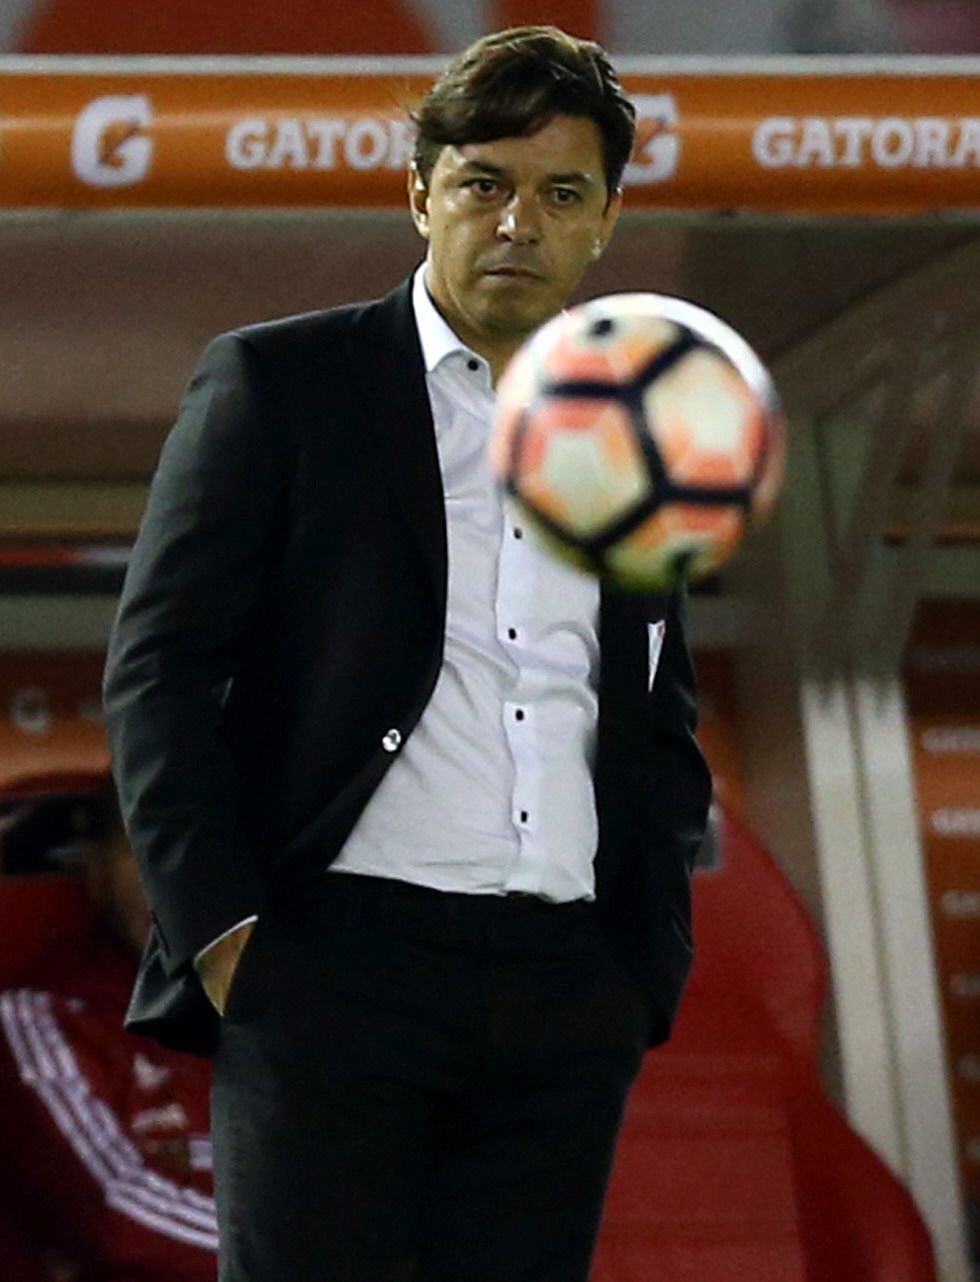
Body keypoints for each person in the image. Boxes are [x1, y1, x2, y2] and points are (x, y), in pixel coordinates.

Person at [102, 25, 712, 1282]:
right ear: (419, 194)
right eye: (484, 182)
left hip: (566, 988)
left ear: (605, 220)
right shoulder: (281, 383)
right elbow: (159, 672)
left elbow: (654, 706)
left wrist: (640, 964)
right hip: (331, 969)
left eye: (561, 194)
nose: (517, 222)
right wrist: (227, 937)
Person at [0, 781, 216, 1281]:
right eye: (144, 849)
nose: (170, 879)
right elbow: (116, 1222)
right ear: (97, 869)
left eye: (197, 851)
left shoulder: (288, 1010)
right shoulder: (46, 1015)